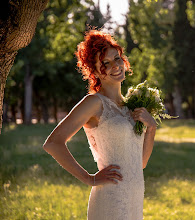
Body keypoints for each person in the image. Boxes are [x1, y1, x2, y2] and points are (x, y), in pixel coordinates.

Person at [42, 30, 157, 220]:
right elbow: (53, 143)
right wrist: (90, 178)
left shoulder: (130, 107)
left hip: (134, 198)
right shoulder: (94, 103)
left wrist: (151, 128)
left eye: (117, 58)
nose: (115, 65)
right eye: (106, 63)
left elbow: (140, 163)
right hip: (111, 200)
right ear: (94, 71)